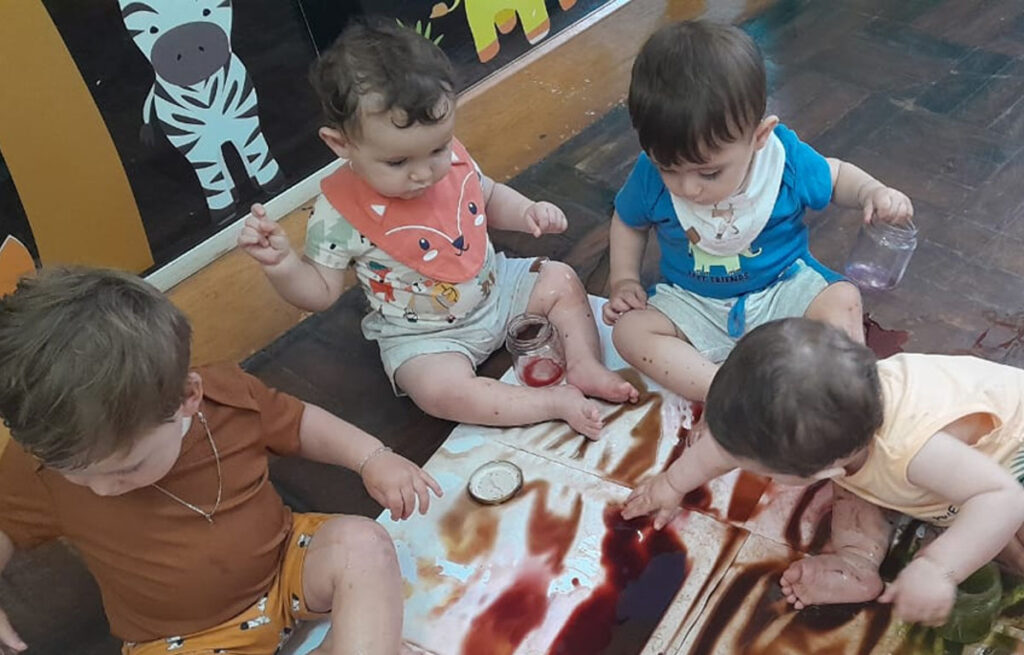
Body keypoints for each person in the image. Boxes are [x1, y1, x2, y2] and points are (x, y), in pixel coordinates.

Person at [0, 267, 440, 655]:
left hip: (285, 566)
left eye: (126, 468)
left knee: (363, 543)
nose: (101, 489)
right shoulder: (39, 465)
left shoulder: (227, 397)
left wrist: (371, 457)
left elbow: (299, 422)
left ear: (187, 398)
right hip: (182, 639)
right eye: (76, 475)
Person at [239, 20, 636, 439]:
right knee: (435, 392)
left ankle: (585, 365)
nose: (424, 173)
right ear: (341, 144)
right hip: (425, 337)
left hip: (498, 290)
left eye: (438, 148)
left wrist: (527, 211)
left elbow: (485, 195)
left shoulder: (447, 158)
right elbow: (319, 293)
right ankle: (551, 403)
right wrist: (283, 265)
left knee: (561, 278)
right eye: (397, 162)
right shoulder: (337, 214)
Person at [622, 318, 1024, 627]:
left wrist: (938, 567)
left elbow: (1003, 497)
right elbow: (729, 445)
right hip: (932, 478)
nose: (733, 460)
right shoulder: (843, 425)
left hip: (1004, 475)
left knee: (1006, 541)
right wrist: (671, 483)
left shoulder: (911, 448)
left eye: (757, 469)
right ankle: (857, 560)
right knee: (857, 486)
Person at [604, 20, 914, 401]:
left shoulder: (782, 162)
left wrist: (871, 191)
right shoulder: (650, 175)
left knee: (842, 299)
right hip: (693, 302)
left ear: (759, 136)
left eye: (708, 172)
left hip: (783, 289)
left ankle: (838, 392)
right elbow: (628, 221)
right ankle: (724, 390)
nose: (687, 188)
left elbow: (834, 177)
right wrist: (623, 280)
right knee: (629, 331)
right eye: (669, 168)